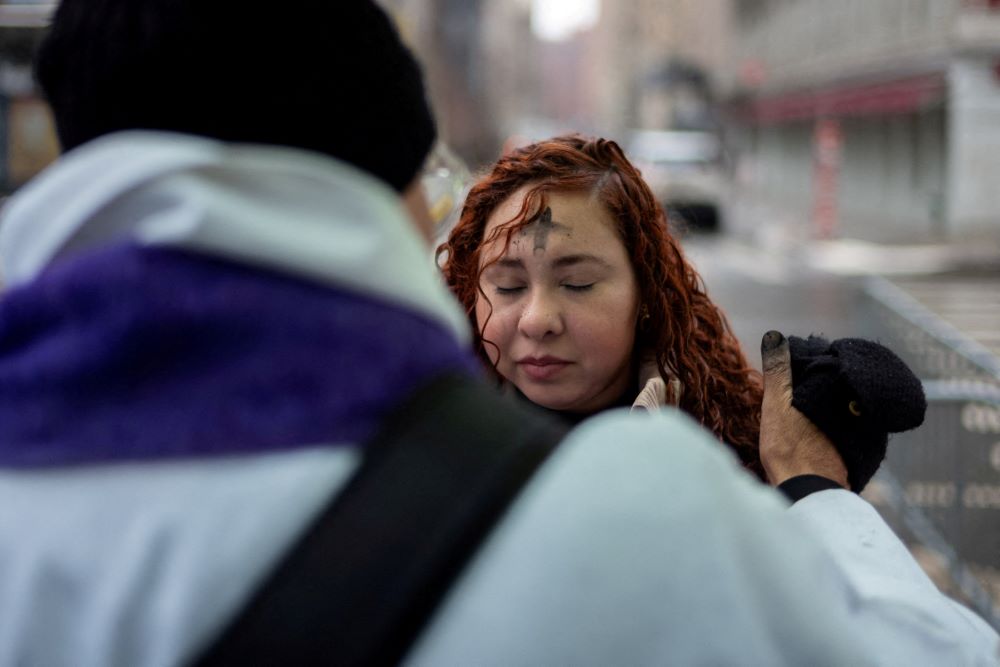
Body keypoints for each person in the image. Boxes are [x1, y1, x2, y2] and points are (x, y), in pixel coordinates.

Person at [0, 2, 996, 666]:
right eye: (503, 280)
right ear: (399, 197)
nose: (537, 319)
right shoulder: (629, 513)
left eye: (576, 278)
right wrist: (816, 492)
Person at [439, 135, 765, 477]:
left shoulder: (732, 456)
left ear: (645, 293)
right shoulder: (431, 445)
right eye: (509, 286)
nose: (536, 320)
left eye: (577, 283)